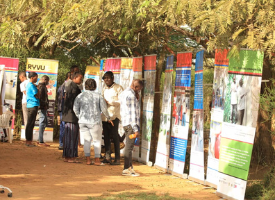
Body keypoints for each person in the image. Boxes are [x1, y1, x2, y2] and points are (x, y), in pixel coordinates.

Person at [73, 79, 114, 165]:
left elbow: (75, 108)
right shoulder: (98, 96)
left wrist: (79, 116)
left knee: (87, 140)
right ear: (95, 86)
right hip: (95, 121)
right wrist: (109, 118)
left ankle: (88, 160)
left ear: (85, 86)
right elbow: (104, 109)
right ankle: (97, 160)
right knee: (97, 141)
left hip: (83, 121)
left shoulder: (80, 96)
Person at [120, 79, 143, 176]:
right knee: (129, 147)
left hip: (126, 123)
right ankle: (126, 168)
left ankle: (130, 167)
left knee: (129, 146)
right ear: (136, 87)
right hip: (131, 125)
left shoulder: (124, 93)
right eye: (139, 89)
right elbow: (133, 114)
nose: (139, 91)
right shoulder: (132, 96)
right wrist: (136, 129)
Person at [101, 71, 124, 165]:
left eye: (108, 77)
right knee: (106, 136)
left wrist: (110, 102)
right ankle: (107, 157)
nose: (106, 79)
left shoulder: (118, 88)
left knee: (115, 136)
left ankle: (117, 159)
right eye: (105, 78)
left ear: (113, 78)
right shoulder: (104, 88)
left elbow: (121, 101)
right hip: (105, 116)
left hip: (114, 116)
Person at [62, 72, 83, 163]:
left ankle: (67, 156)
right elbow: (75, 103)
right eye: (80, 78)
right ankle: (71, 157)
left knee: (68, 137)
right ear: (75, 78)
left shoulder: (68, 86)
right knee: (72, 137)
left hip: (68, 116)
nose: (81, 80)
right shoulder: (74, 88)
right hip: (72, 116)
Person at [57, 72, 71, 150]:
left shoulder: (62, 86)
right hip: (64, 109)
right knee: (64, 126)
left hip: (62, 109)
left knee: (63, 126)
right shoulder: (66, 86)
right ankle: (62, 144)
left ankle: (62, 143)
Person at [25, 72, 40, 147]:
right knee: (30, 124)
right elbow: (37, 95)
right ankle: (28, 141)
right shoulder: (32, 86)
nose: (37, 79)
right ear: (32, 77)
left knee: (29, 124)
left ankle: (28, 140)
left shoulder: (29, 85)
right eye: (36, 77)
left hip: (31, 105)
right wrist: (38, 89)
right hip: (33, 105)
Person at [37, 75, 50, 146]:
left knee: (45, 122)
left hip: (43, 107)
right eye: (47, 80)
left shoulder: (43, 87)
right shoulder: (41, 87)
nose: (47, 82)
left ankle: (39, 139)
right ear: (44, 80)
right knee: (42, 122)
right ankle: (41, 141)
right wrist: (43, 105)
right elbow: (41, 98)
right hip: (42, 107)